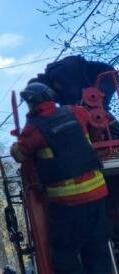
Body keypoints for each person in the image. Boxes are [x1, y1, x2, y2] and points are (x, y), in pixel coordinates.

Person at [10, 81, 112, 274]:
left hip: (67, 203)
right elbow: (91, 124)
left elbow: (20, 155)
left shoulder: (33, 130)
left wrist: (15, 145)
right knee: (98, 251)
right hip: (98, 194)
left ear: (31, 103)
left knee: (64, 255)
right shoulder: (76, 112)